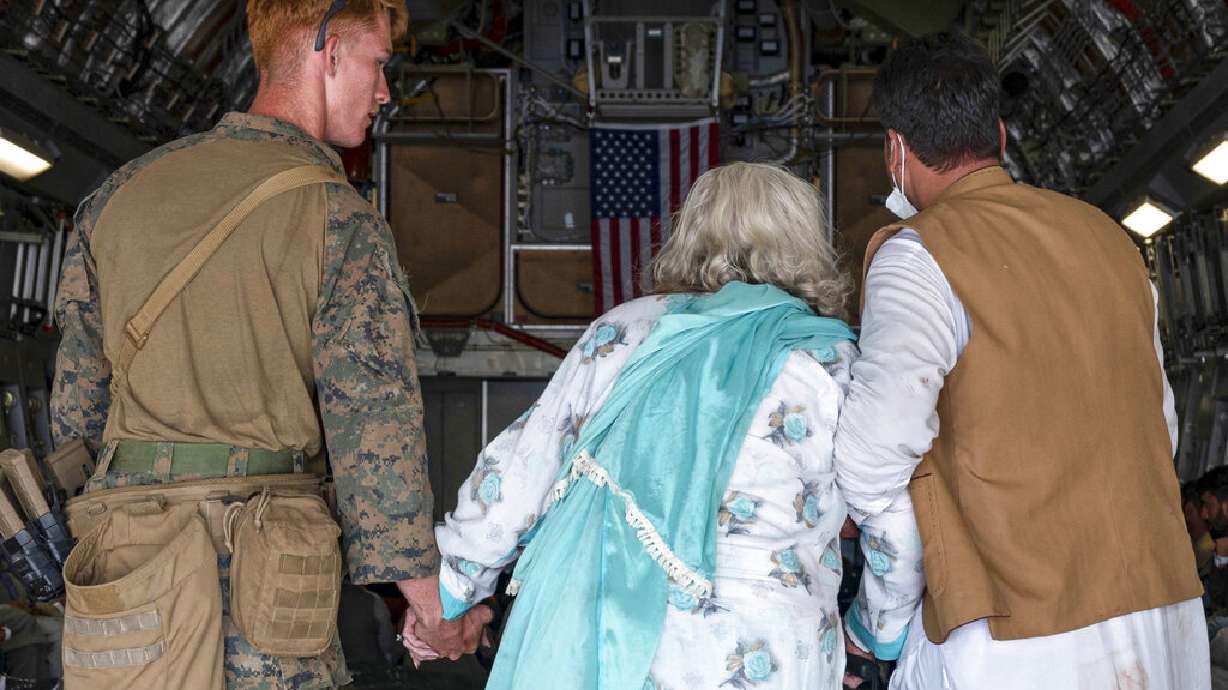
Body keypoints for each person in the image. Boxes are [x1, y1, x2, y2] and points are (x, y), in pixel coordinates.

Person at [50, 1, 487, 688]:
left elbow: (74, 418)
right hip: (264, 597)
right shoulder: (337, 218)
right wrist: (433, 609)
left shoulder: (116, 197)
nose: (383, 92)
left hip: (127, 585)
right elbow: (374, 438)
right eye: (377, 64)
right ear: (327, 50)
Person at [400, 162, 925, 689]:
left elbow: (520, 470)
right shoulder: (830, 361)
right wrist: (875, 633)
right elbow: (888, 513)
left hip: (621, 635)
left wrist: (446, 596)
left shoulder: (623, 333)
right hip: (771, 646)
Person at [834, 31, 1208, 689]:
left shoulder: (916, 256)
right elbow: (1162, 427)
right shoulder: (1112, 242)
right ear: (1001, 137)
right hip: (1159, 609)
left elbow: (874, 456)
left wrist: (877, 626)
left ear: (896, 150)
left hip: (1015, 633)